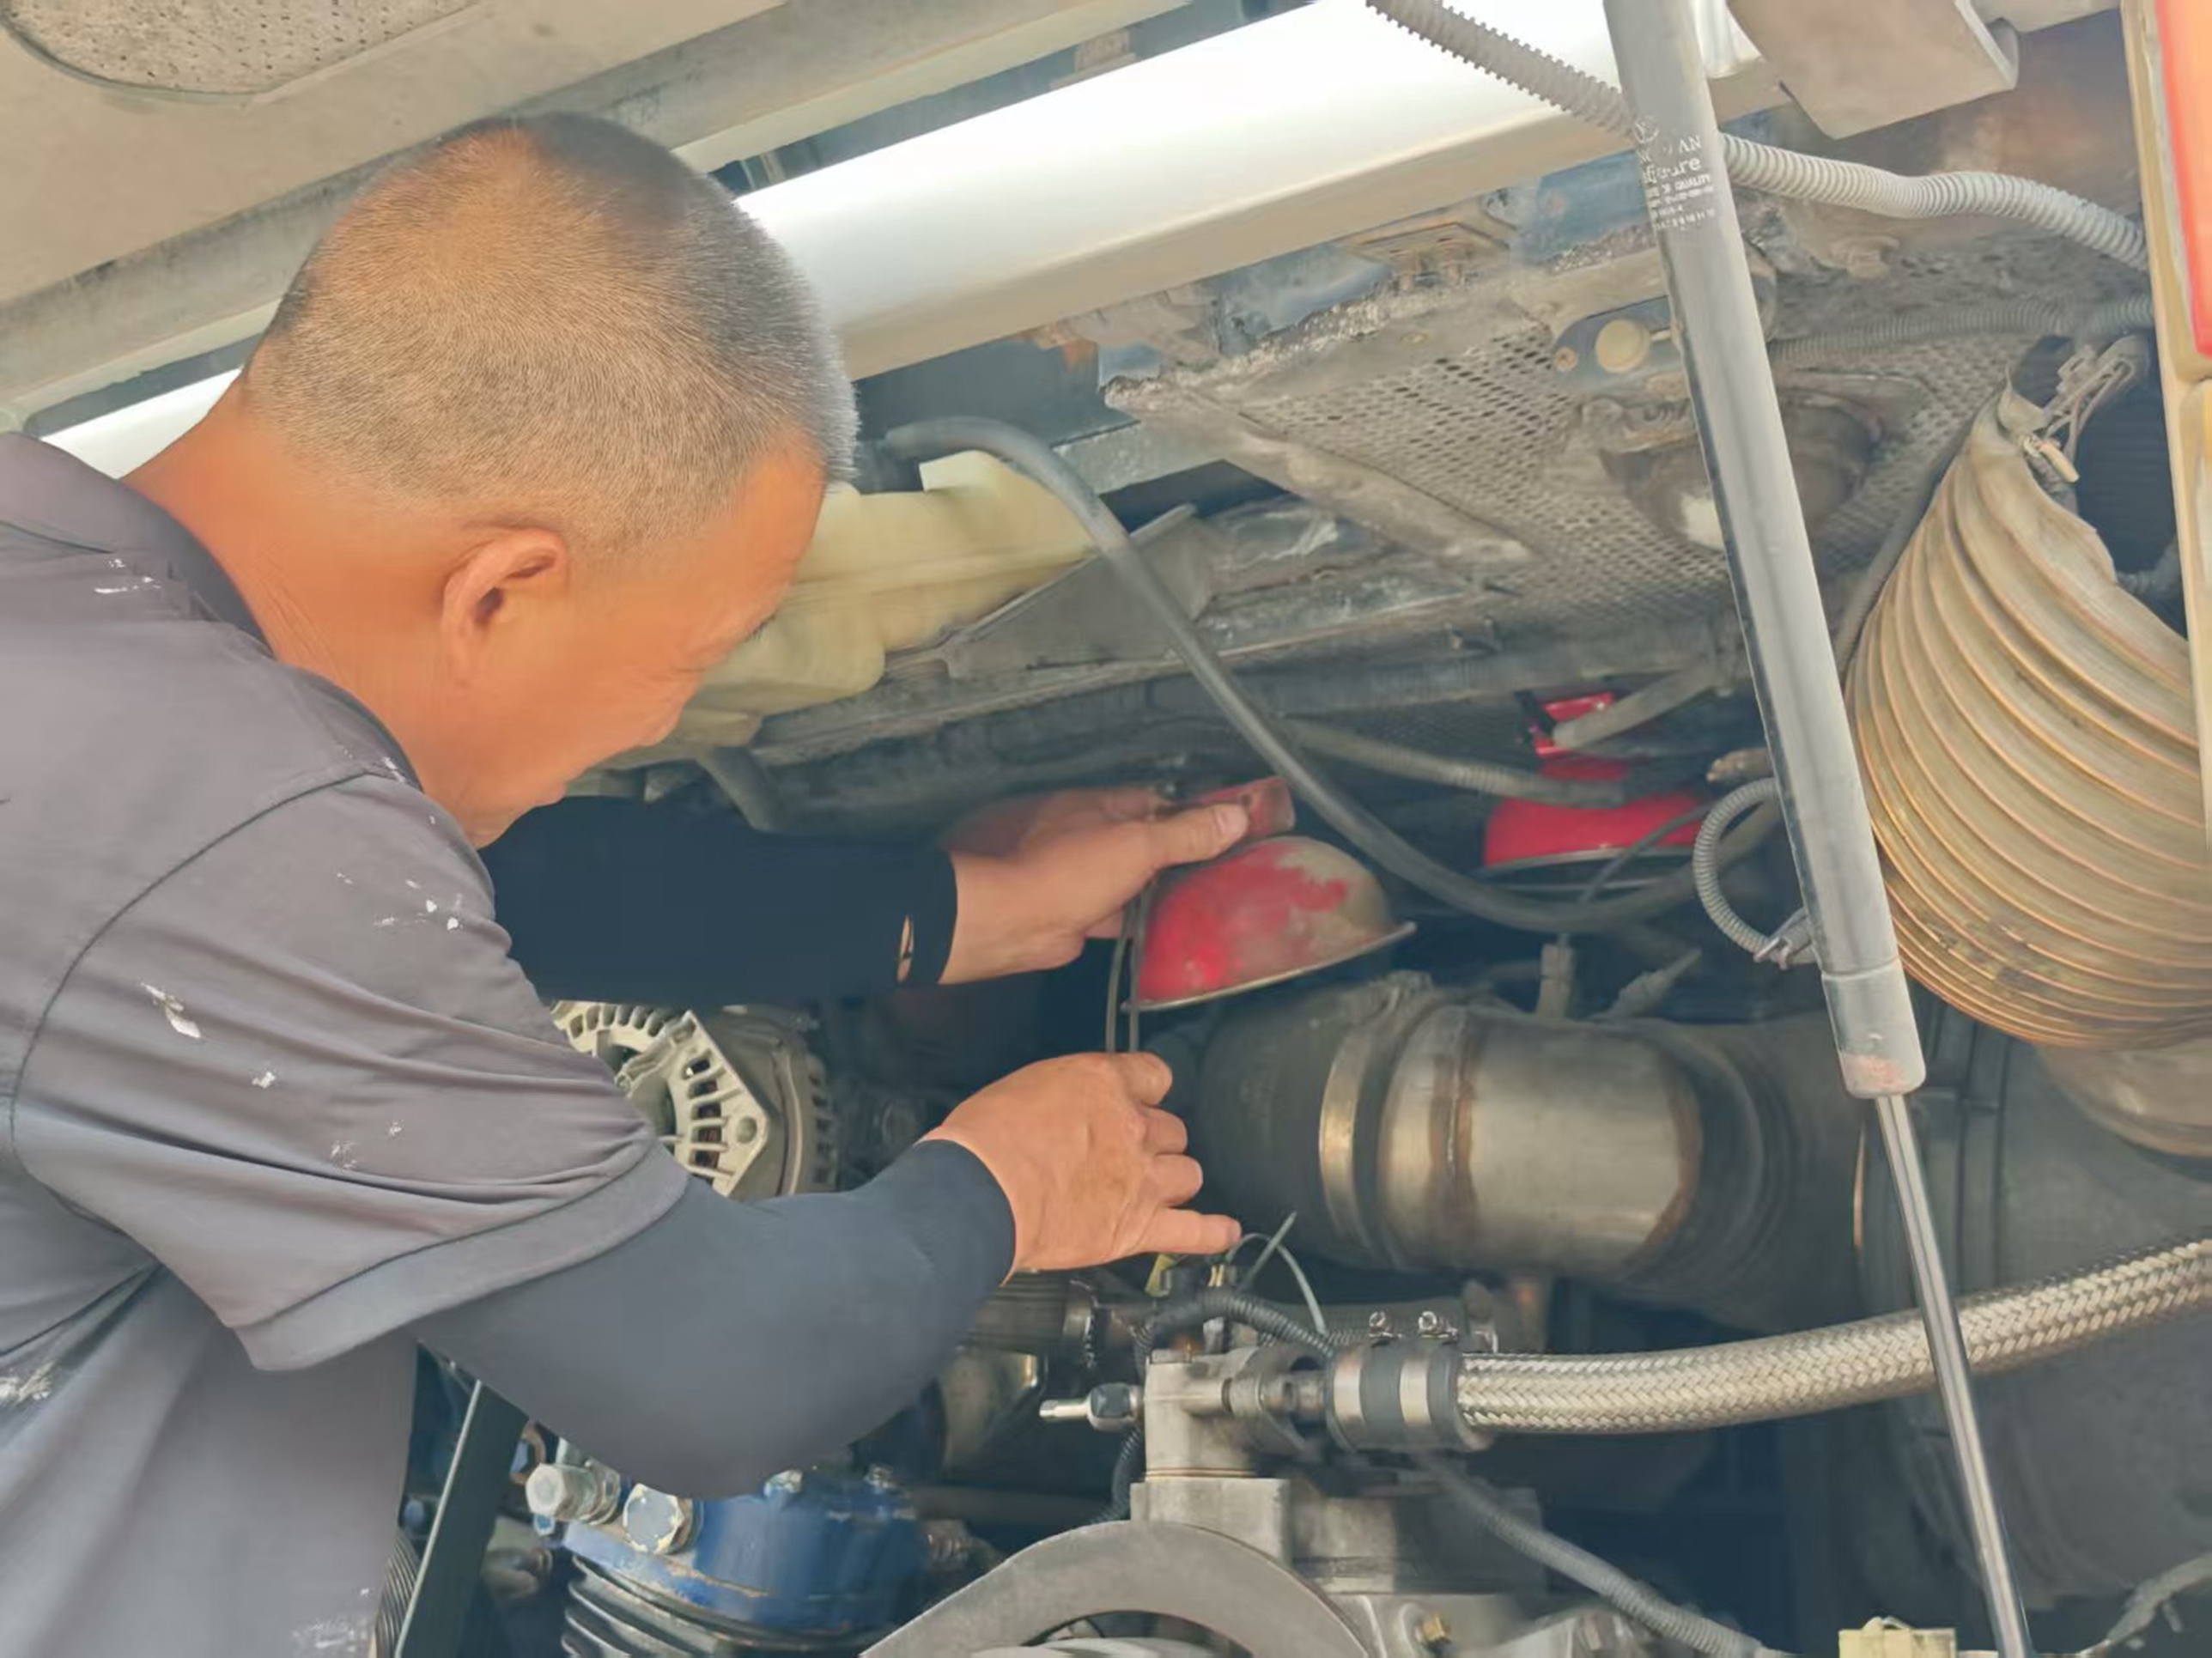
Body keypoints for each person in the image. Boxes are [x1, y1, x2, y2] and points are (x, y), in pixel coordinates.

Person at [0, 112, 1243, 1657]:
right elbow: (710, 1372)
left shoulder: (66, 654)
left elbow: (462, 894)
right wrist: (1003, 1186)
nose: (665, 726)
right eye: (688, 660)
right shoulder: (211, 801)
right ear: (501, 592)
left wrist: (944, 908)